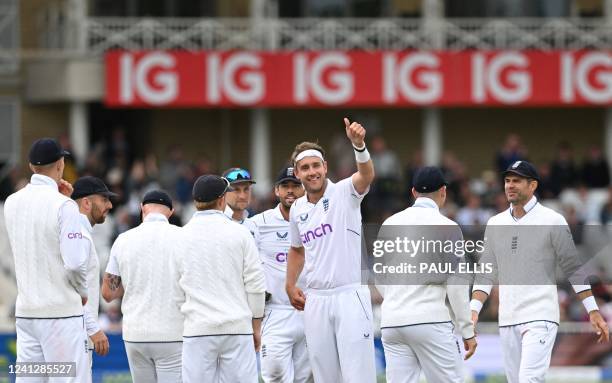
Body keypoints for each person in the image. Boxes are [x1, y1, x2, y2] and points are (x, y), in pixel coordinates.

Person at [471, 160, 610, 383]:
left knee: (529, 380)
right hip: (507, 318)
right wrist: (474, 310)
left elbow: (573, 267)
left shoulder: (552, 220)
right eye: (507, 181)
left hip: (540, 316)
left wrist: (593, 310)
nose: (510, 186)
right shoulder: (496, 222)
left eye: (516, 181)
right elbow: (486, 270)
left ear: (533, 185)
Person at [286, 118, 376, 382]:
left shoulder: (344, 192)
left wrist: (359, 146)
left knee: (357, 375)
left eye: (316, 165)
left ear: (325, 167)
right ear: (297, 173)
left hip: (349, 295)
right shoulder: (297, 209)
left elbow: (366, 174)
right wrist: (290, 285)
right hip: (315, 300)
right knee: (325, 376)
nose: (312, 172)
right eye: (305, 168)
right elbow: (296, 249)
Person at [377, 166, 476, 383]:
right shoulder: (448, 227)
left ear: (413, 192)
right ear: (443, 192)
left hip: (392, 322)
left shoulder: (389, 224)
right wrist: (467, 330)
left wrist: (398, 299)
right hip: (430, 320)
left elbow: (378, 275)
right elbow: (457, 285)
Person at [4, 138, 91, 382]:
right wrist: (83, 290)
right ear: (61, 164)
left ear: (32, 167)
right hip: (60, 317)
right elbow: (75, 262)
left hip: (27, 316)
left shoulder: (12, 202)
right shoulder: (64, 206)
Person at [177, 175, 266, 383]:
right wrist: (256, 327)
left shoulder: (180, 235)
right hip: (237, 328)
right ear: (221, 200)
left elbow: (175, 287)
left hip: (197, 329)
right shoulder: (240, 233)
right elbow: (255, 283)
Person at [101, 190, 184, 383]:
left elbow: (107, 293)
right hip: (173, 333)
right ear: (171, 212)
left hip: (135, 334)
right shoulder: (183, 237)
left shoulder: (123, 240)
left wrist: (133, 283)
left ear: (142, 209)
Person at [249, 166, 312, 383]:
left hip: (310, 311)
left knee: (305, 378)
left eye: (296, 185)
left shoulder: (317, 220)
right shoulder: (258, 223)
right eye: (285, 186)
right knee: (274, 375)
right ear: (276, 190)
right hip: (274, 311)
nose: (291, 191)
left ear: (304, 189)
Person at [71, 176, 115, 365]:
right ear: (87, 203)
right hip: (76, 333)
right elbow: (73, 287)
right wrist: (93, 329)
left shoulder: (76, 231)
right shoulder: (78, 235)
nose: (110, 205)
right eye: (104, 199)